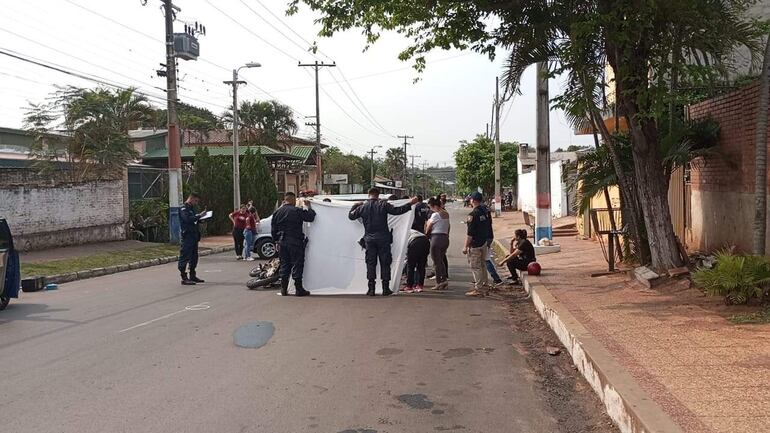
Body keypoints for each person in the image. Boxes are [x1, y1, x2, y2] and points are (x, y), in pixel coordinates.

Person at [348, 187, 418, 296]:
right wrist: (410, 203)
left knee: (371, 263)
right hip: (383, 239)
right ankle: (385, 288)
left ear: (369, 195)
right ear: (378, 195)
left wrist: (355, 205)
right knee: (385, 262)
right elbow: (397, 211)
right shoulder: (383, 205)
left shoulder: (363, 207)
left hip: (369, 240)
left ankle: (371, 289)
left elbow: (351, 216)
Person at [271, 192, 317, 297]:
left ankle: (283, 289)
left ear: (285, 199)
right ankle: (298, 289)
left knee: (285, 264)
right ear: (293, 200)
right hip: (295, 241)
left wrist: (276, 241)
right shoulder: (296, 211)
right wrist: (309, 207)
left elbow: (273, 229)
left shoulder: (277, 212)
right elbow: (310, 217)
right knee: (297, 264)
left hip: (282, 242)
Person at [463, 192, 493, 297]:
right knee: (482, 264)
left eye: (471, 199)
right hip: (483, 242)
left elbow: (470, 233)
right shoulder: (485, 211)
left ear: (474, 200)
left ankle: (478, 288)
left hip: (475, 244)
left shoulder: (473, 214)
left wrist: (465, 246)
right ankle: (485, 285)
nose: (470, 201)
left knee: (475, 267)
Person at [178, 193, 207, 285]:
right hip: (187, 236)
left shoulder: (192, 208)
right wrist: (199, 216)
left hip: (194, 236)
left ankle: (192, 275)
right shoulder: (183, 208)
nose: (196, 203)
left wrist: (201, 219)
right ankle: (184, 277)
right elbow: (188, 219)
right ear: (191, 198)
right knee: (185, 256)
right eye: (196, 201)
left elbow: (194, 220)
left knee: (194, 257)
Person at [425, 196, 450, 290]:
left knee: (436, 261)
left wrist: (426, 235)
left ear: (435, 206)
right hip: (445, 238)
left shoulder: (435, 215)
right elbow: (449, 226)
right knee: (441, 260)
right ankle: (444, 280)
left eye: (431, 207)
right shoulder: (446, 213)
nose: (431, 210)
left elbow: (429, 227)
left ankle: (439, 282)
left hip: (436, 238)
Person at [403, 229, 430, 293]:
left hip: (415, 242)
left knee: (411, 266)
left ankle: (409, 286)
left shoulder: (401, 233)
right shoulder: (410, 230)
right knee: (421, 266)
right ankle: (420, 285)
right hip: (425, 241)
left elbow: (404, 250)